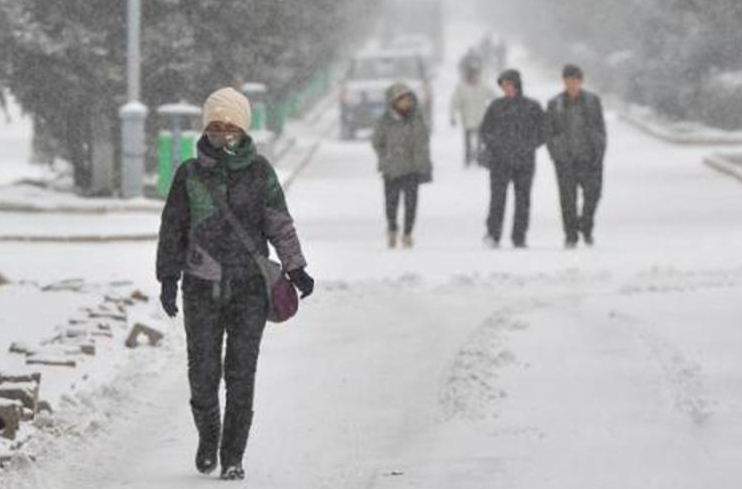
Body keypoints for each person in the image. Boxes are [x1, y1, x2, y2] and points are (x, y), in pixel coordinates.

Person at [156, 87, 315, 481]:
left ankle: (233, 456)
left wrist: (295, 268)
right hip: (200, 287)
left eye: (230, 126)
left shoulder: (260, 172)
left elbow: (279, 222)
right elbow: (172, 228)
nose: (222, 132)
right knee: (203, 375)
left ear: (243, 129)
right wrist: (168, 277)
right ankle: (208, 437)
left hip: (248, 290)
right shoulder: (189, 175)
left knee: (241, 375)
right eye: (215, 125)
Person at [479, 70, 545, 248]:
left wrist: (528, 145)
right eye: (503, 85)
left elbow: (544, 130)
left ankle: (519, 236)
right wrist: (496, 144)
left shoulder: (532, 106)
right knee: (497, 200)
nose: (507, 88)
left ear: (517, 85)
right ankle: (493, 234)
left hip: (525, 162)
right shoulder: (496, 106)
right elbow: (485, 130)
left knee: (523, 200)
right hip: (499, 162)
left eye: (510, 84)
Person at [546, 64, 607, 248]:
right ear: (564, 82)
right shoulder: (555, 103)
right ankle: (570, 235)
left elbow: (600, 128)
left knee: (593, 195)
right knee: (567, 200)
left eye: (575, 81)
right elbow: (549, 132)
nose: (571, 84)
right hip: (565, 160)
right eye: (568, 81)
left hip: (589, 158)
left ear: (581, 81)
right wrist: (556, 152)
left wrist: (599, 150)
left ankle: (586, 225)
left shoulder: (592, 101)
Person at [372, 82, 433, 249]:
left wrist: (424, 166)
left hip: (412, 169)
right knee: (391, 203)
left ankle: (407, 233)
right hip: (391, 169)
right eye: (403, 100)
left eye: (409, 100)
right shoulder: (385, 121)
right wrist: (386, 157)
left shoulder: (417, 120)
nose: (407, 103)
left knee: (411, 203)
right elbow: (377, 142)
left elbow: (423, 144)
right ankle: (392, 228)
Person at [450, 65, 496, 167]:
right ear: (467, 76)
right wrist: (452, 116)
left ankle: (480, 159)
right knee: (468, 142)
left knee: (481, 141)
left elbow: (494, 97)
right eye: (470, 75)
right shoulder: (461, 88)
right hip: (468, 120)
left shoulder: (484, 86)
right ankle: (468, 160)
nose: (473, 77)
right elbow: (454, 103)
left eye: (475, 75)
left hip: (481, 119)